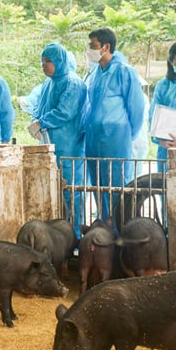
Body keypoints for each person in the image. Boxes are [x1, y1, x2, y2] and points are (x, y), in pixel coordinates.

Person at [82, 27, 145, 224]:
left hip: (116, 139)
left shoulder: (125, 72)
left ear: (106, 47)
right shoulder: (95, 74)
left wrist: (127, 134)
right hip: (94, 139)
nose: (89, 50)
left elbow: (136, 108)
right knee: (98, 185)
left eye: (93, 46)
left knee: (117, 186)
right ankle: (105, 228)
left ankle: (121, 231)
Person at [31, 42, 88, 238]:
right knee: (54, 189)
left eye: (48, 61)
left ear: (60, 61)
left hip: (69, 145)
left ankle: (75, 235)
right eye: (42, 61)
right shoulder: (48, 83)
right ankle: (59, 236)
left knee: (71, 190)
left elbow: (65, 112)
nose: (44, 65)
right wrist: (36, 121)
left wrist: (42, 122)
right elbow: (40, 109)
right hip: (50, 145)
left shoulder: (72, 82)